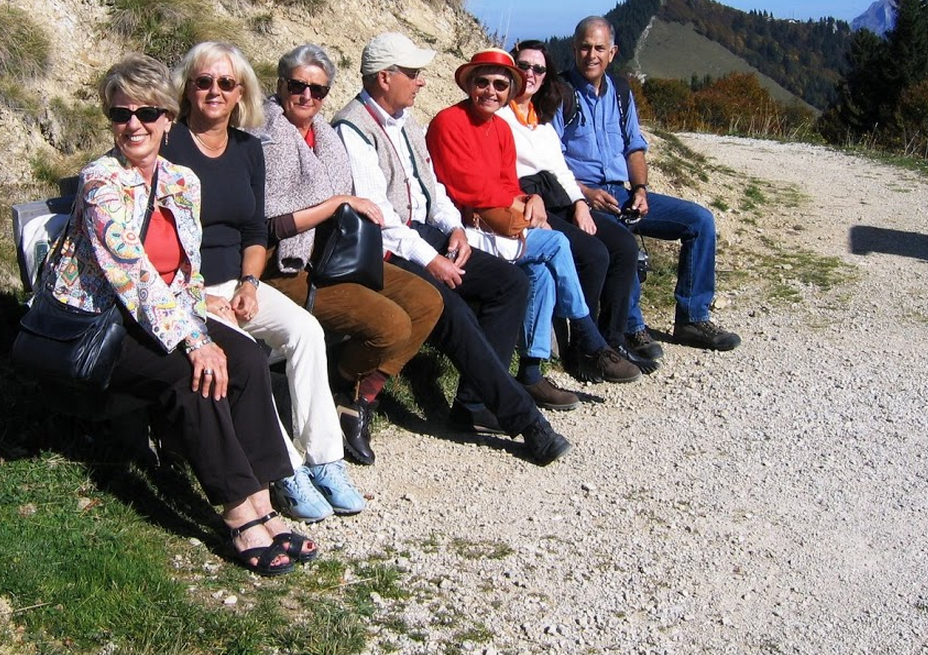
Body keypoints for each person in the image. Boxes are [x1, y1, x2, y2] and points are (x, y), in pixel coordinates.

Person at [40, 53, 311, 576]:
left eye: (147, 113)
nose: (134, 125)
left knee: (249, 359)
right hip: (100, 325)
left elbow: (183, 271)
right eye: (121, 115)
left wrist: (200, 314)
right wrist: (195, 339)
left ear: (168, 118)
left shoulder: (183, 181)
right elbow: (133, 276)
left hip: (157, 316)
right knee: (198, 375)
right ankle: (238, 514)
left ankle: (263, 500)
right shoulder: (102, 182)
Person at [332, 32, 571, 466]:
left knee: (510, 283)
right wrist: (432, 258)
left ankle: (476, 401)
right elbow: (380, 217)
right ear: (384, 78)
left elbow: (433, 188)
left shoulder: (402, 121)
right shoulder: (353, 129)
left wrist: (454, 229)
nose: (421, 82)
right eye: (413, 73)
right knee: (453, 310)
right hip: (387, 248)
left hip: (426, 233)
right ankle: (525, 420)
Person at [160, 41, 367, 523]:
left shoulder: (248, 149)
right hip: (186, 291)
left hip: (238, 281)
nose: (214, 91)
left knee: (306, 332)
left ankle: (324, 457)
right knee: (249, 357)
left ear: (241, 94)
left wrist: (250, 283)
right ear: (187, 88)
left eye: (226, 83)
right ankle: (285, 469)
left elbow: (255, 232)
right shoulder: (167, 143)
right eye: (204, 81)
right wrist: (199, 297)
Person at [258, 43, 444, 466]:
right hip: (286, 265)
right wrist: (338, 202)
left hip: (333, 255)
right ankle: (337, 387)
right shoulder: (267, 135)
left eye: (318, 91)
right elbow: (273, 224)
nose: (307, 97)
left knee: (427, 302)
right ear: (281, 84)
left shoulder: (323, 135)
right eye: (298, 86)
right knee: (391, 326)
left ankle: (355, 395)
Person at [426, 49, 641, 411]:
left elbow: (508, 181)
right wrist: (520, 204)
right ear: (469, 84)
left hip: (496, 222)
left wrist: (527, 198)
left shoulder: (499, 129)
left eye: (499, 84)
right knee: (556, 242)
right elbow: (468, 186)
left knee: (539, 272)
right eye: (483, 82)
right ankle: (588, 336)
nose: (491, 91)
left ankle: (531, 371)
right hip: (464, 225)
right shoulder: (450, 121)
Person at [554, 16, 741, 352]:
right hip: (583, 199)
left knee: (699, 221)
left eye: (599, 48)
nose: (591, 55)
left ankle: (692, 318)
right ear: (574, 48)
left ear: (613, 52)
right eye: (584, 47)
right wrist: (585, 193)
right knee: (624, 241)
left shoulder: (621, 92)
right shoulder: (559, 93)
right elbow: (549, 159)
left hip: (622, 192)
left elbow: (634, 147)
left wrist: (640, 190)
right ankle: (632, 328)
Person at [501, 39, 663, 366]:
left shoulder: (541, 115)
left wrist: (579, 203)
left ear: (547, 76)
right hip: (530, 199)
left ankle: (612, 340)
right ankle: (582, 351)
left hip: (560, 194)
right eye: (524, 66)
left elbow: (560, 166)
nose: (530, 73)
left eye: (539, 68)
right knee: (593, 253)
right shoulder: (502, 114)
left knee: (623, 245)